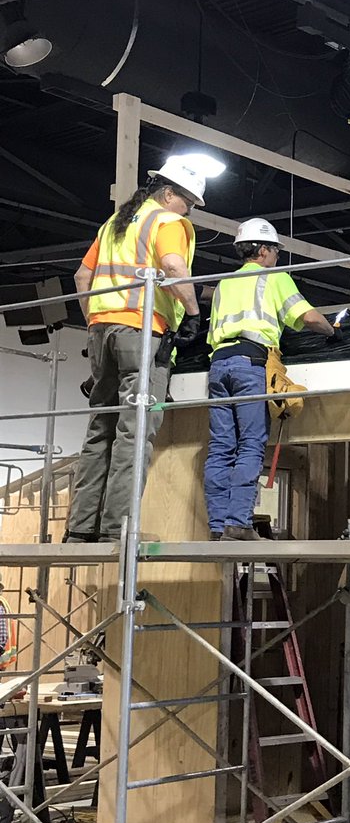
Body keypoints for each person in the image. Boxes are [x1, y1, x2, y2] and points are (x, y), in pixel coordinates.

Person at [65, 157, 206, 543]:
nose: (189, 210)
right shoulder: (168, 221)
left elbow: (82, 276)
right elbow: (176, 269)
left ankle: (80, 528)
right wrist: (192, 313)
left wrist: (95, 319)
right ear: (169, 193)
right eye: (189, 202)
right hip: (142, 332)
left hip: (101, 331)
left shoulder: (114, 223)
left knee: (100, 429)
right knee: (136, 430)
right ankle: (118, 530)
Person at [203, 218, 337, 541]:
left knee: (221, 447)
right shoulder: (273, 278)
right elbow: (307, 317)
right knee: (251, 444)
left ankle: (218, 525)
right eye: (275, 250)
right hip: (251, 363)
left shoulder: (224, 284)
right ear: (263, 250)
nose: (277, 256)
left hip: (218, 365)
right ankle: (238, 522)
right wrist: (333, 330)